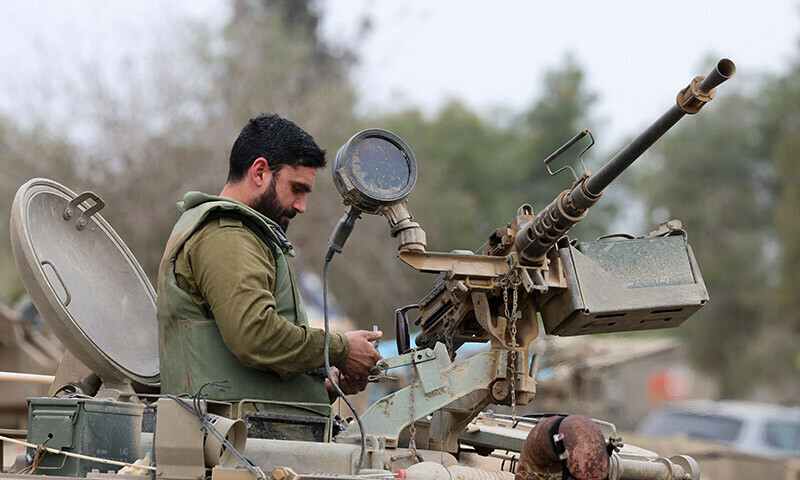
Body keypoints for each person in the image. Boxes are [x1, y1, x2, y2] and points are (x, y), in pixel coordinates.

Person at [156, 113, 382, 421]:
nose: (302, 206)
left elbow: (250, 363)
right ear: (260, 172)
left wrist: (320, 386)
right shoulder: (227, 233)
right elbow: (255, 336)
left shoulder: (246, 234)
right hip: (240, 448)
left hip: (257, 438)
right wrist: (341, 349)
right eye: (297, 188)